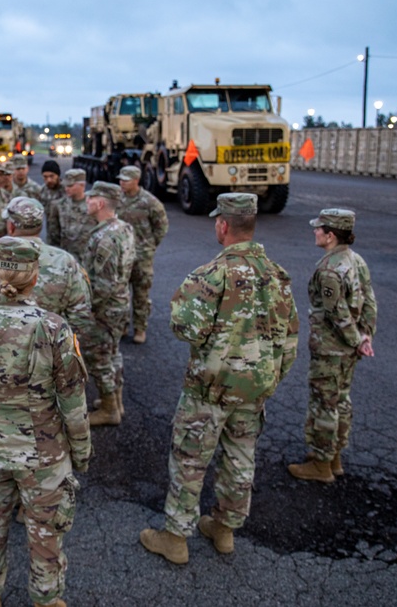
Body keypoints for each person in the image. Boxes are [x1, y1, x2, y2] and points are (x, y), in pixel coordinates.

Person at [139, 193, 298, 563]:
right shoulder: (277, 274)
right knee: (241, 458)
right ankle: (224, 530)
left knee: (190, 460)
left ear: (223, 225)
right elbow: (289, 340)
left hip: (209, 390)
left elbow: (185, 329)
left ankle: (176, 538)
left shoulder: (211, 273)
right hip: (254, 388)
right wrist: (269, 379)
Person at [0, 237, 90, 607]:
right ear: (35, 277)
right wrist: (82, 451)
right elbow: (73, 401)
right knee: (46, 535)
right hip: (43, 454)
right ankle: (46, 599)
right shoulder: (55, 328)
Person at [288, 208, 377, 483]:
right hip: (349, 349)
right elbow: (370, 301)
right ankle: (335, 457)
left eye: (319, 229)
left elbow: (336, 313)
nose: (314, 231)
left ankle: (321, 465)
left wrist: (354, 340)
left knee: (324, 404)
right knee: (341, 400)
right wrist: (365, 336)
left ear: (330, 235)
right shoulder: (356, 260)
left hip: (330, 348)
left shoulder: (329, 270)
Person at [0, 196, 94, 342]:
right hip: (47, 354)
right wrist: (57, 347)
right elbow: (81, 314)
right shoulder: (65, 261)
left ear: (11, 226)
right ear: (40, 227)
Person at [81, 182, 135, 427]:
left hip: (105, 307)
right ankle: (116, 401)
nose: (87, 202)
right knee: (113, 352)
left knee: (99, 356)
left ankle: (109, 409)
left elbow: (103, 284)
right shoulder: (123, 228)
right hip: (121, 302)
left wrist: (86, 309)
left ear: (100, 203)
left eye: (90, 198)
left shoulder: (105, 238)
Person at [116, 166, 169, 344]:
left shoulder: (149, 202)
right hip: (121, 254)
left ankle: (140, 328)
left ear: (136, 180)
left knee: (141, 293)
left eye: (126, 180)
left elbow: (161, 226)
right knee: (120, 292)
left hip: (142, 256)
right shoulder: (117, 199)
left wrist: (150, 245)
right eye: (121, 179)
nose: (122, 183)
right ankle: (122, 326)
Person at [47, 168, 95, 264]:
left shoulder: (93, 205)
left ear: (82, 185)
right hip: (66, 260)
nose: (66, 188)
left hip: (88, 260)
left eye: (70, 185)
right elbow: (53, 234)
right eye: (65, 185)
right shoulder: (59, 205)